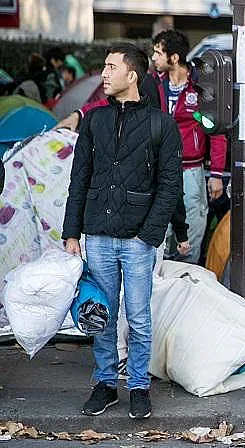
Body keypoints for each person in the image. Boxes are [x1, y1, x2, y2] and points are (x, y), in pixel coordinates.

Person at [62, 43, 182, 419]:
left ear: (132, 75)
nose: (104, 73)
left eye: (111, 67)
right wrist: (71, 233)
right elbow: (79, 179)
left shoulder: (161, 124)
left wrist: (149, 234)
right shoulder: (94, 120)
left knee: (139, 317)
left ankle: (139, 386)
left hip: (138, 239)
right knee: (103, 315)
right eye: (105, 66)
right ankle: (105, 383)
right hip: (97, 234)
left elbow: (170, 186)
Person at [152, 28, 227, 264]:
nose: (153, 58)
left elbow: (216, 131)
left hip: (191, 170)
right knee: (160, 231)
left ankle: (187, 276)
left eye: (158, 53)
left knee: (192, 227)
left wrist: (216, 174)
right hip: (160, 168)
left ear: (174, 57)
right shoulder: (154, 84)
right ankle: (160, 278)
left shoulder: (201, 86)